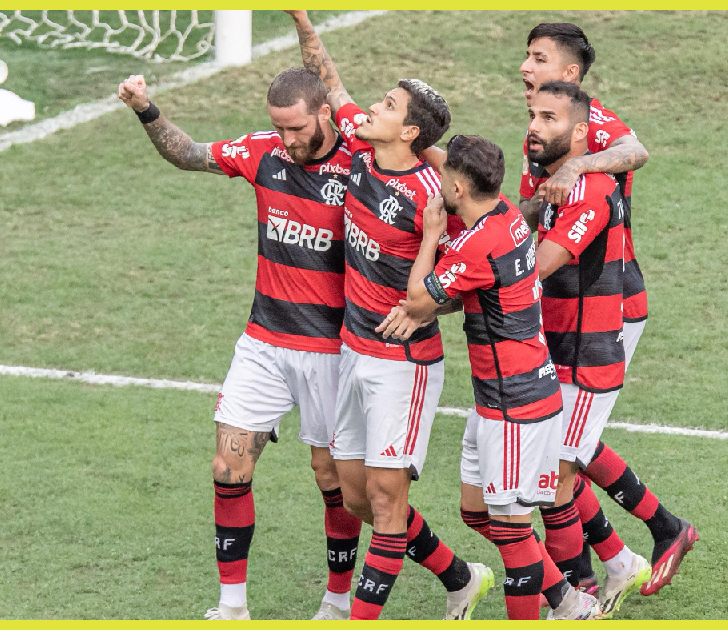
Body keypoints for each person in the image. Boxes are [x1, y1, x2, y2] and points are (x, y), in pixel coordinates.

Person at [117, 67, 361, 620]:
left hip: (331, 350)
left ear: (324, 113)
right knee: (228, 469)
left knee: (333, 481)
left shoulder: (360, 165)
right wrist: (145, 108)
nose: (288, 140)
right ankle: (231, 607)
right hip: (264, 343)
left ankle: (338, 599)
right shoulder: (262, 152)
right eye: (279, 129)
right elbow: (188, 153)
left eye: (295, 128)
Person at [286, 10, 492, 621]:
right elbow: (328, 79)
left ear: (410, 132)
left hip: (403, 365)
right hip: (353, 348)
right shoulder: (361, 146)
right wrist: (301, 18)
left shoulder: (436, 197)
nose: (371, 108)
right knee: (355, 498)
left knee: (385, 501)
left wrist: (428, 304)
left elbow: (477, 268)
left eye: (388, 105)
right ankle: (461, 576)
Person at [376, 135, 603, 620]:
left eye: (444, 182)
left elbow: (419, 299)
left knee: (513, 530)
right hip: (500, 400)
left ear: (458, 187)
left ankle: (558, 605)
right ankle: (567, 599)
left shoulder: (481, 241)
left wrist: (432, 235)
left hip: (516, 405)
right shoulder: (503, 214)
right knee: (477, 513)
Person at [519, 23, 699, 597]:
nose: (524, 67)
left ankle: (583, 587)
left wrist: (581, 166)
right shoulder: (541, 133)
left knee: (562, 458)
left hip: (605, 308)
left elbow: (636, 151)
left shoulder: (592, 126)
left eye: (538, 58)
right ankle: (622, 555)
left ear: (569, 75)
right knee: (566, 444)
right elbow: (531, 213)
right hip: (559, 307)